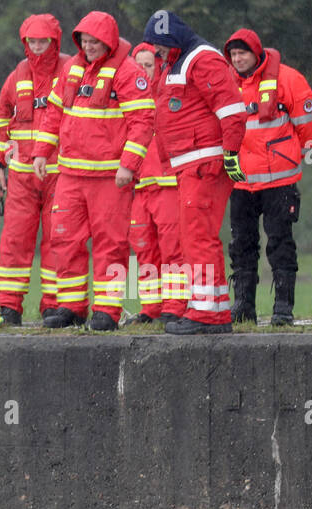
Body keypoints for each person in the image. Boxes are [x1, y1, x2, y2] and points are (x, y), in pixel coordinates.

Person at [32, 11, 154, 331]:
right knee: (65, 240)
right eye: (84, 41)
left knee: (110, 244)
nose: (88, 47)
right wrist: (42, 152)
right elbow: (53, 114)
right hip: (71, 174)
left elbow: (142, 123)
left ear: (109, 42)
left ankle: (107, 310)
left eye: (94, 41)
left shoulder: (128, 73)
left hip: (110, 177)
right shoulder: (71, 68)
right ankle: (72, 306)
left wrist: (128, 165)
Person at [144, 11, 247, 335]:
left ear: (171, 40)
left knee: (198, 237)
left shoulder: (200, 59)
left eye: (158, 45)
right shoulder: (177, 61)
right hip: (192, 163)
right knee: (195, 237)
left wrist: (229, 152)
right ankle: (210, 309)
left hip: (205, 163)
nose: (155, 51)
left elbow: (231, 109)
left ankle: (208, 313)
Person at [224, 28, 312, 326]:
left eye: (243, 53)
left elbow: (307, 126)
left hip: (279, 181)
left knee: (280, 244)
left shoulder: (288, 79)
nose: (238, 59)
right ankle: (243, 307)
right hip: (240, 181)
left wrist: (294, 157)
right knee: (241, 245)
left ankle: (282, 309)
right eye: (233, 54)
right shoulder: (226, 83)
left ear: (257, 53)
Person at [0, 15, 68, 325]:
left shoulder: (69, 70)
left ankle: (55, 306)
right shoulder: (18, 74)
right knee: (14, 240)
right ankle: (9, 307)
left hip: (60, 173)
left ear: (54, 41)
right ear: (25, 42)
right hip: (21, 174)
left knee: (58, 241)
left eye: (42, 41)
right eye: (32, 41)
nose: (37, 46)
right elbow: (1, 119)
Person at [127, 44, 187, 325]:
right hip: (139, 185)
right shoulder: (125, 98)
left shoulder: (170, 96)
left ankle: (176, 307)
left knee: (172, 248)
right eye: (137, 65)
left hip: (168, 184)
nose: (142, 70)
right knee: (144, 249)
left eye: (148, 65)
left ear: (160, 66)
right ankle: (151, 308)